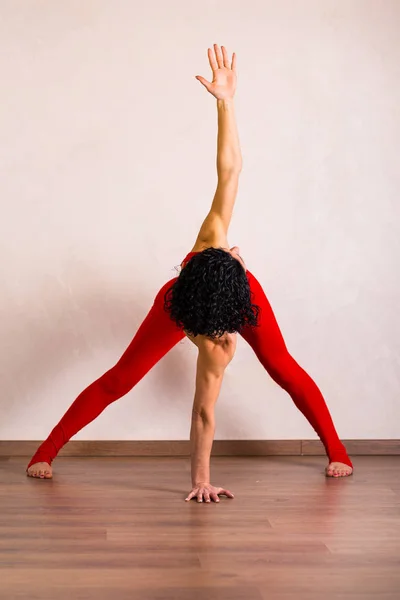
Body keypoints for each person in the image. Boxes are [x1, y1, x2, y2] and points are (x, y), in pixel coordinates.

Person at [26, 44, 353, 501]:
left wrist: (226, 102)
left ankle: (338, 451)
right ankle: (44, 452)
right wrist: (199, 482)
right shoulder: (180, 302)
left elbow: (231, 170)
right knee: (121, 378)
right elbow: (202, 412)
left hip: (235, 291)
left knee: (282, 367)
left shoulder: (216, 245)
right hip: (193, 298)